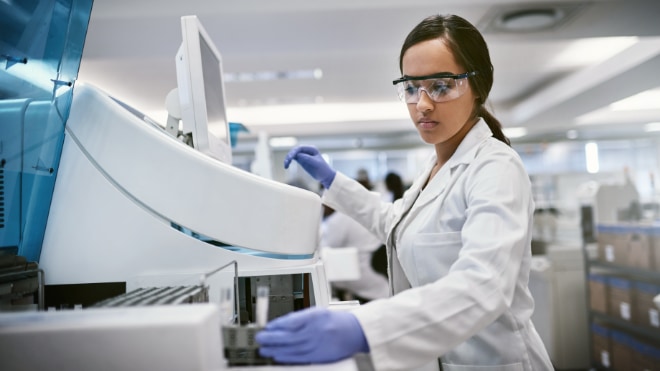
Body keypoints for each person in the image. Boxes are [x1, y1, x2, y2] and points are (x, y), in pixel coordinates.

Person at [256, 14, 553, 371]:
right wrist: (334, 181)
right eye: (411, 87)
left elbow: (485, 285)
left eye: (441, 86)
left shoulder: (496, 168)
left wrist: (363, 328)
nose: (422, 104)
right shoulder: (434, 168)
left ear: (478, 86)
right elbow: (394, 224)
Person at [320, 204, 389, 303]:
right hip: (374, 270)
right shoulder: (352, 213)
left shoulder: (338, 220)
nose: (323, 208)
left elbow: (326, 247)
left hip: (363, 273)